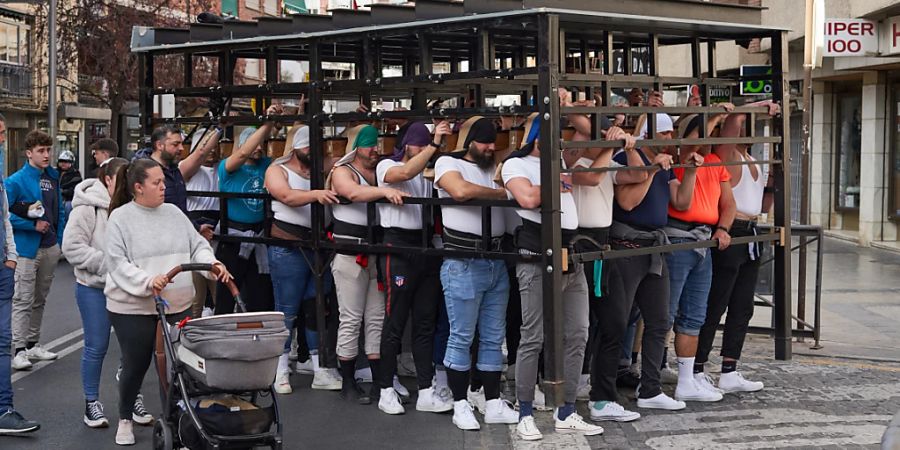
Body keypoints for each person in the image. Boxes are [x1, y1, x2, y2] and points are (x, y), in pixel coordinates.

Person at [104, 158, 231, 446]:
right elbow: (117, 263)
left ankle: (174, 421)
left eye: (164, 181)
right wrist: (148, 281)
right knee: (136, 365)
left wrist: (211, 263)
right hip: (132, 306)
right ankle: (125, 417)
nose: (164, 187)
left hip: (176, 303)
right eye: (157, 182)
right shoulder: (120, 218)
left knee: (177, 367)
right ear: (138, 187)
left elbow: (196, 245)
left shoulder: (174, 213)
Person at [501, 115, 603, 440]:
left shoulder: (558, 161)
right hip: (536, 254)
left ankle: (567, 410)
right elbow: (528, 199)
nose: (561, 141)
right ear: (536, 138)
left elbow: (593, 166)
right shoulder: (514, 166)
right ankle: (525, 412)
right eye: (555, 135)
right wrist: (557, 179)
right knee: (533, 336)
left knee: (578, 334)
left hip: (570, 255)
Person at [591, 112, 700, 413]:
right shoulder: (631, 158)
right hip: (626, 247)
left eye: (670, 133)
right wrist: (651, 170)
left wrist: (688, 171)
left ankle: (650, 388)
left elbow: (681, 202)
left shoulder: (664, 163)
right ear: (648, 134)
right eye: (664, 133)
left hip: (654, 247)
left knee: (659, 320)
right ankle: (602, 394)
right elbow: (627, 202)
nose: (668, 139)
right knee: (615, 323)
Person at [432, 117, 519, 430]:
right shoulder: (446, 162)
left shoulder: (493, 168)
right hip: (463, 259)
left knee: (494, 338)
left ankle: (493, 402)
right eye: (484, 141)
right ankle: (460, 404)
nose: (490, 146)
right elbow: (460, 191)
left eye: (492, 141)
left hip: (494, 258)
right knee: (461, 337)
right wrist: (504, 193)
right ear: (468, 140)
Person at [694, 101, 779, 393]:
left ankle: (730, 368)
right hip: (731, 229)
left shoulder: (752, 159)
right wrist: (752, 106)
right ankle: (697, 366)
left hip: (752, 229)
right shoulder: (725, 156)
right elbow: (732, 126)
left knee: (742, 306)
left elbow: (763, 202)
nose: (747, 130)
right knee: (716, 303)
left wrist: (773, 186)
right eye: (744, 125)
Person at [375, 120, 453, 416]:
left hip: (424, 246)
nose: (422, 148)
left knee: (424, 322)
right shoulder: (387, 165)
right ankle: (385, 389)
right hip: (397, 245)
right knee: (394, 322)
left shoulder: (428, 170)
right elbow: (405, 172)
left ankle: (426, 389)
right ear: (406, 143)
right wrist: (434, 145)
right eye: (418, 142)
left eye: (425, 143)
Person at [328, 125, 407, 407]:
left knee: (376, 319)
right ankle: (347, 382)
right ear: (356, 146)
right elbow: (352, 193)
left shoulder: (380, 171)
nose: (374, 149)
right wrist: (384, 191)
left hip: (376, 253)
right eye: (368, 145)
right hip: (350, 254)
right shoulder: (342, 170)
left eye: (376, 144)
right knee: (350, 318)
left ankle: (379, 382)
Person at [663, 109, 736, 404]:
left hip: (705, 239)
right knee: (665, 313)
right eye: (706, 130)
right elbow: (691, 142)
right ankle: (651, 375)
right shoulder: (680, 155)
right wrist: (714, 115)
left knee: (694, 314)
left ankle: (686, 379)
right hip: (678, 237)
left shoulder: (716, 162)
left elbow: (728, 204)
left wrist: (722, 228)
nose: (710, 137)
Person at [266, 124, 341, 395]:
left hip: (318, 244)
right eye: (308, 146)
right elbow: (285, 195)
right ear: (296, 147)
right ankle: (281, 369)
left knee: (316, 306)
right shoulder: (278, 169)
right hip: (288, 244)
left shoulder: (321, 167)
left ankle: (319, 367)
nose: (313, 151)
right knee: (287, 309)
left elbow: (345, 158)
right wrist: (316, 194)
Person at [62, 157, 130, 428]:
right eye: (121, 180)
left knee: (132, 349)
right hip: (94, 286)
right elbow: (72, 247)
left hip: (126, 288)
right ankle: (92, 403)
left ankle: (131, 396)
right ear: (108, 180)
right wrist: (108, 266)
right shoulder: (86, 207)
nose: (127, 186)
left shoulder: (129, 207)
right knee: (97, 345)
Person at [6, 130, 66, 371]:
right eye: (41, 151)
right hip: (26, 250)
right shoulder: (15, 181)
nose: (46, 155)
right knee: (22, 299)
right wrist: (31, 224)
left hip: (50, 247)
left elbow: (59, 211)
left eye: (48, 150)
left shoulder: (52, 178)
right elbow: (4, 215)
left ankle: (32, 343)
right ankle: (19, 350)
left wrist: (59, 240)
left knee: (40, 299)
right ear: (29, 153)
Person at [214, 105, 280, 314]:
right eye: (254, 143)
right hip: (233, 238)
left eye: (261, 143)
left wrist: (294, 117)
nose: (258, 148)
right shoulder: (229, 167)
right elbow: (243, 153)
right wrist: (266, 123)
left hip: (259, 236)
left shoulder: (267, 165)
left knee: (259, 296)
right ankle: (222, 338)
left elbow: (290, 154)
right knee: (226, 295)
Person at [0, 113, 40, 435]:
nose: (2, 140)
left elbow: (4, 218)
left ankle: (4, 409)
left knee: (3, 342)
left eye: (3, 133)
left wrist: (10, 256)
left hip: (3, 267)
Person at [144, 125, 215, 241]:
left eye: (181, 143)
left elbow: (180, 211)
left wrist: (196, 228)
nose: (181, 148)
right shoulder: (144, 172)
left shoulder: (175, 170)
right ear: (159, 145)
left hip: (176, 239)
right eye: (175, 144)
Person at [181, 127, 222, 318]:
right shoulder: (186, 169)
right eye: (208, 146)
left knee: (219, 291)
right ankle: (191, 334)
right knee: (196, 294)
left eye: (216, 145)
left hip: (218, 232)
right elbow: (200, 154)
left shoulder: (221, 169)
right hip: (196, 232)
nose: (212, 150)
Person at [58, 150, 83, 220]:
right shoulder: (55, 173)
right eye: (61, 161)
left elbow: (76, 190)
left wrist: (63, 192)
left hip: (68, 199)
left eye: (66, 162)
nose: (63, 163)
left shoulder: (75, 174)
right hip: (56, 198)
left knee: (68, 206)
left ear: (71, 163)